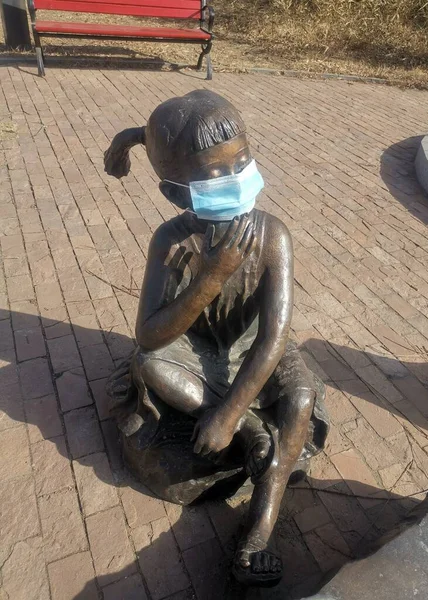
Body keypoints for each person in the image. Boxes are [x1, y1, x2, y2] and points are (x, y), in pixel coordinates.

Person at [104, 90, 328, 586]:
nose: (236, 181)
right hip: (194, 348)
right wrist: (210, 278)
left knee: (301, 397)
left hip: (252, 349)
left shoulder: (273, 235)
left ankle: (259, 530)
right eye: (213, 176)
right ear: (177, 194)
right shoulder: (171, 239)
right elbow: (149, 333)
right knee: (149, 363)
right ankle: (254, 432)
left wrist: (224, 413)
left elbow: (274, 336)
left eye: (242, 163)